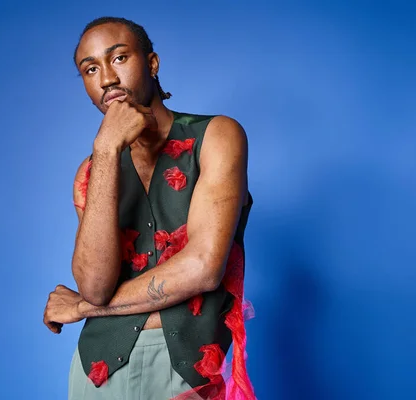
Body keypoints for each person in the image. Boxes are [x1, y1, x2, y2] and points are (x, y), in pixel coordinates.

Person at [43, 16, 256, 400]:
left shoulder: (217, 136)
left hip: (189, 370)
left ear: (152, 63)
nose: (107, 78)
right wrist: (106, 150)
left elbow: (203, 268)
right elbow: (94, 285)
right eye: (90, 69)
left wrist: (83, 308)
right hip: (99, 373)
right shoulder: (92, 171)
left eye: (119, 58)